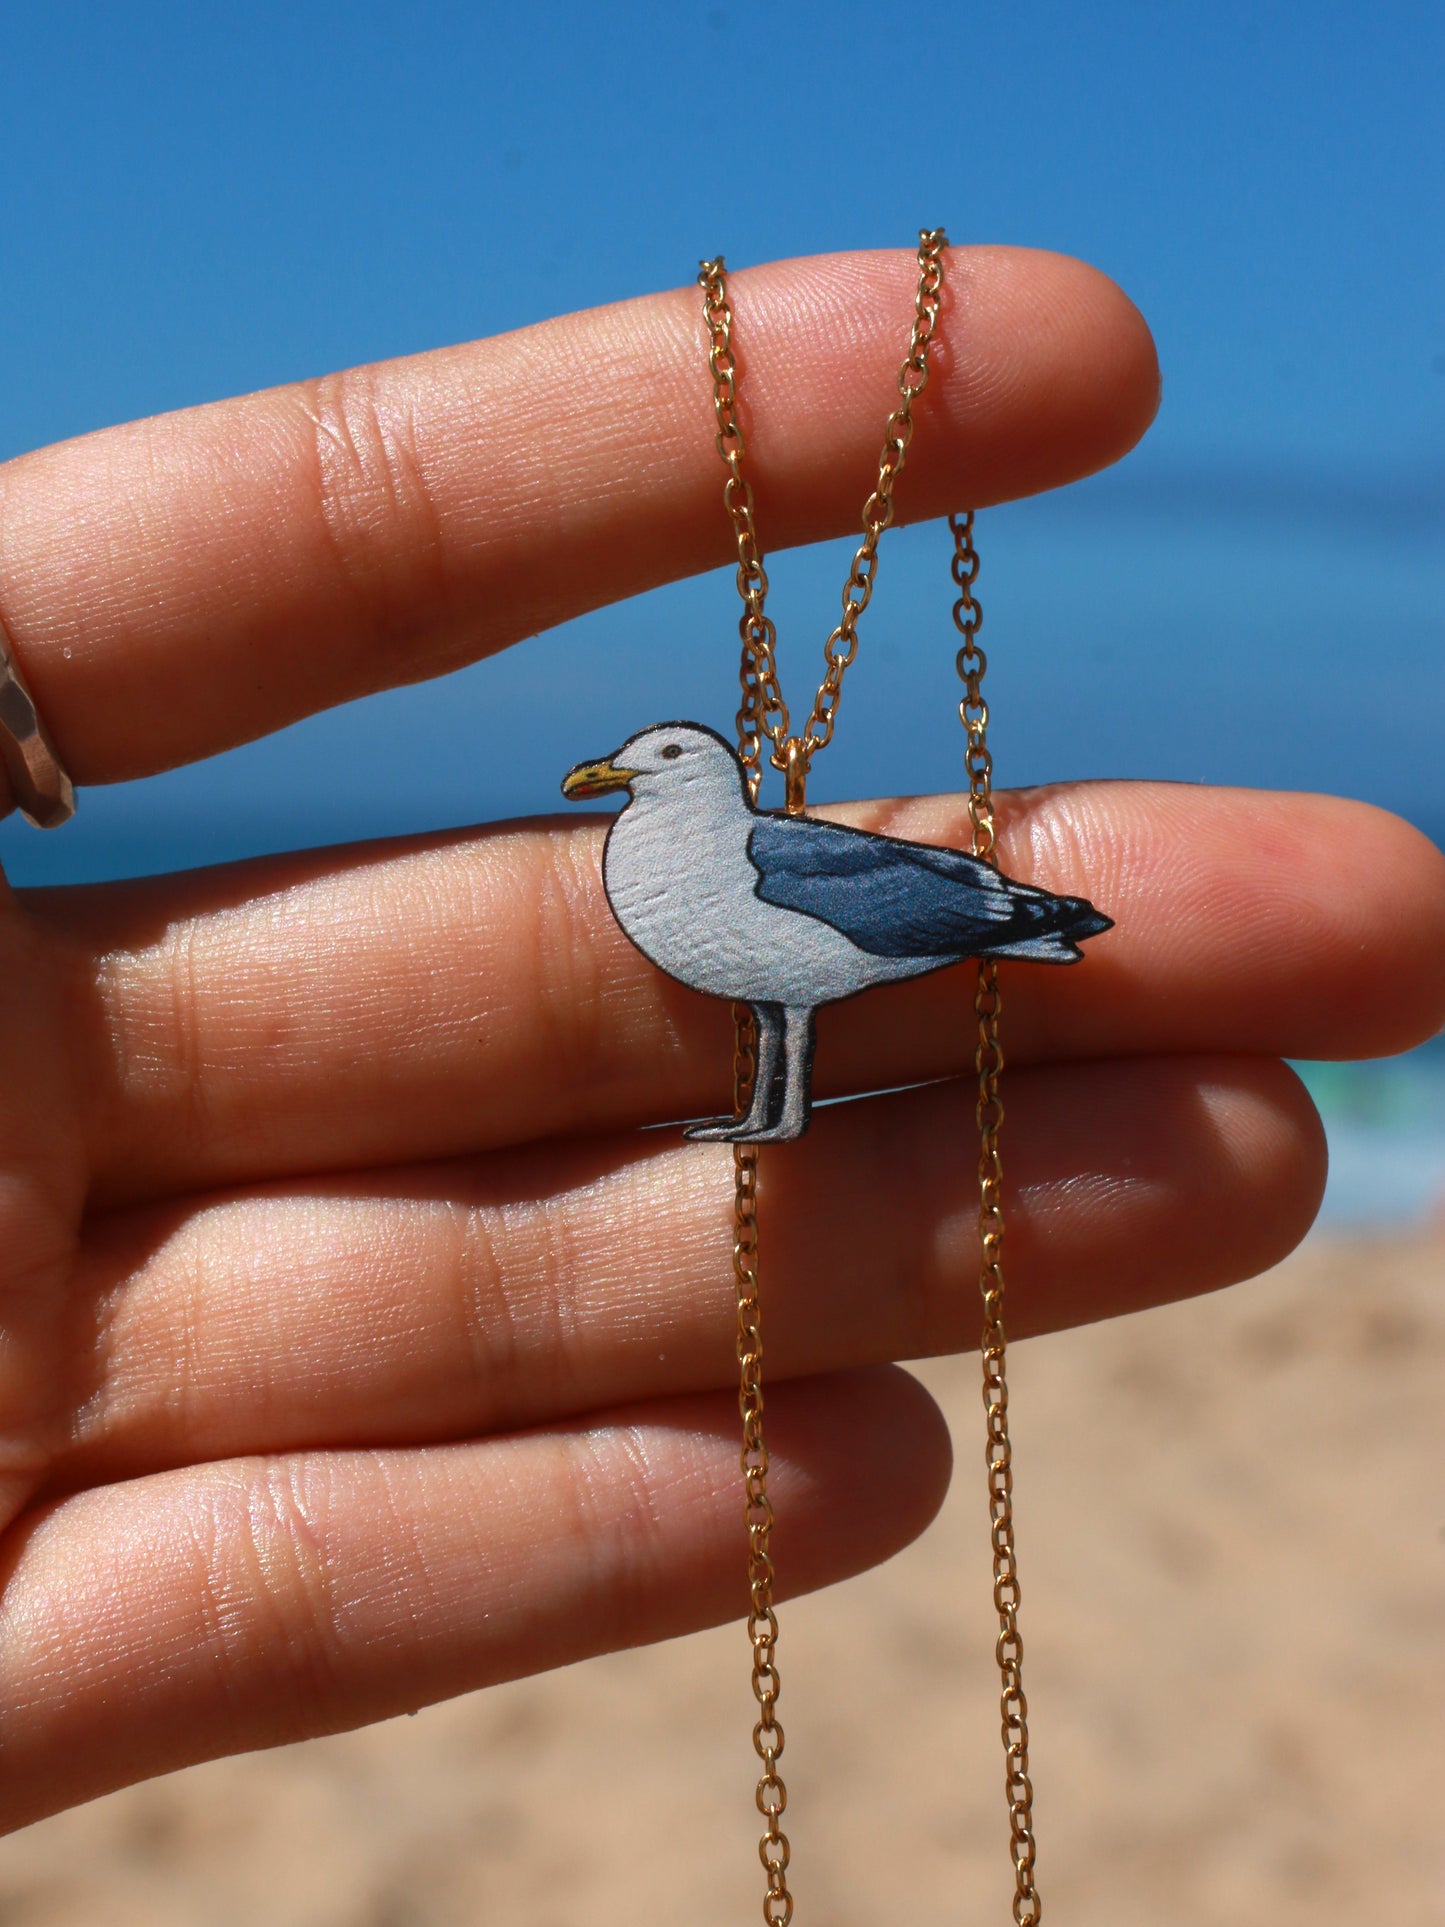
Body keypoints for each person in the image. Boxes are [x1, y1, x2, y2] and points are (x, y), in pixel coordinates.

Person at [0, 248, 1440, 1834]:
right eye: (638, 756)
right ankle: (761, 1109)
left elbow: (824, 931)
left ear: (698, 771)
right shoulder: (672, 861)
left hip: (876, 913)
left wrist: (1000, 915)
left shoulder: (742, 853)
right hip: (802, 929)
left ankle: (772, 1106)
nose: (628, 765)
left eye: (656, 756)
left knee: (787, 994)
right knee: (767, 1006)